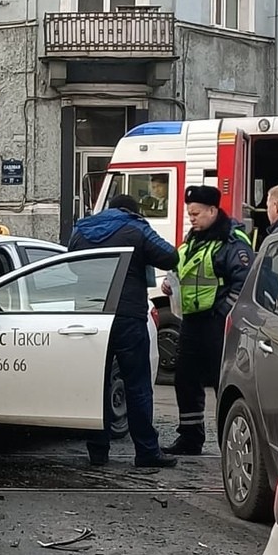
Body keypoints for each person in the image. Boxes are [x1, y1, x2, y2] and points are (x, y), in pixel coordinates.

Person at [69, 194, 179, 469]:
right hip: (127, 315)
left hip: (90, 315)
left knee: (95, 384)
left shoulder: (82, 228)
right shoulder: (136, 227)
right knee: (137, 384)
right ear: (132, 211)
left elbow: (70, 264)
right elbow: (169, 256)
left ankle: (97, 451)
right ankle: (146, 451)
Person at [164, 185, 254, 456]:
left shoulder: (232, 241)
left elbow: (244, 282)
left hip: (217, 323)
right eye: (189, 213)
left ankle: (230, 444)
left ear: (213, 210)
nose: (192, 218)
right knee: (186, 379)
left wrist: (222, 312)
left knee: (221, 382)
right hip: (191, 321)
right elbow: (185, 272)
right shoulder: (192, 239)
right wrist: (172, 286)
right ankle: (190, 438)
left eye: (197, 213)